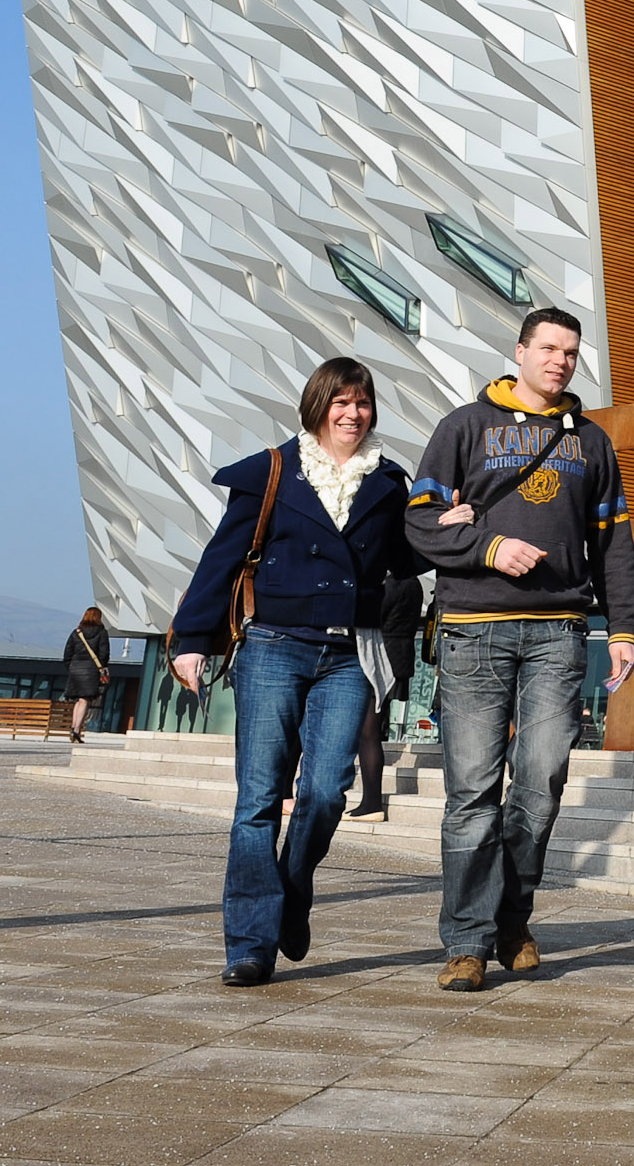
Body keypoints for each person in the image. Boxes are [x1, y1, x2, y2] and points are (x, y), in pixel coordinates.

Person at [404, 307, 634, 994]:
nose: (560, 361)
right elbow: (419, 524)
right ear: (520, 352)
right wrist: (489, 547)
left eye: (570, 352)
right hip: (473, 630)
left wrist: (623, 627)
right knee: (473, 792)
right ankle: (469, 942)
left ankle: (512, 918)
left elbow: (614, 544)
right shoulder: (464, 427)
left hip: (560, 634)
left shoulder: (590, 441)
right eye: (548, 349)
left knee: (541, 782)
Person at [167, 356, 414, 987]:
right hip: (274, 644)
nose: (352, 414)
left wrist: (450, 523)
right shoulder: (273, 472)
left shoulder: (388, 481)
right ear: (318, 406)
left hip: (348, 653)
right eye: (341, 402)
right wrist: (190, 638)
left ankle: (293, 888)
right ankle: (250, 943)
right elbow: (221, 557)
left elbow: (402, 560)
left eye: (362, 403)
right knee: (258, 801)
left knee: (327, 792)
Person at [347, 572, 426, 820]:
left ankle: (371, 803)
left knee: (368, 733)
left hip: (381, 661)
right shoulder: (414, 583)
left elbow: (373, 618)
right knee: (373, 729)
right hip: (399, 659)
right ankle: (371, 802)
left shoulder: (390, 584)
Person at [63, 607, 111, 743]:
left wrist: (71, 667)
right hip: (91, 669)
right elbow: (104, 653)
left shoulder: (76, 632)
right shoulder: (102, 632)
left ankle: (73, 726)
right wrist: (101, 667)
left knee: (78, 700)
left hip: (75, 668)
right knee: (85, 700)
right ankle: (77, 729)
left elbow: (67, 653)